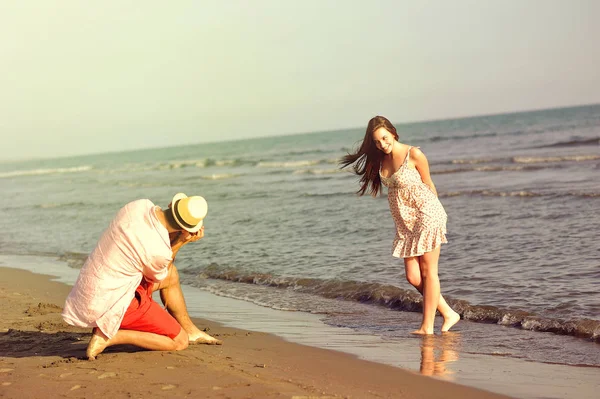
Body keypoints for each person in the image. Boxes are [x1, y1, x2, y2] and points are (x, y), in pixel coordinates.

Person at [62, 192, 222, 360]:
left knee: (172, 276)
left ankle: (190, 330)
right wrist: (181, 242)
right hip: (113, 302)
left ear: (170, 204)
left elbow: (151, 247)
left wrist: (179, 236)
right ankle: (111, 337)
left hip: (90, 291)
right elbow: (158, 274)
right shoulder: (159, 251)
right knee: (180, 342)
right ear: (184, 229)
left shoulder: (138, 205)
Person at [340, 116, 460, 334]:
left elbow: (429, 183)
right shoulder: (380, 160)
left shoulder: (413, 154)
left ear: (393, 133)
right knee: (413, 277)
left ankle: (427, 327)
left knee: (428, 272)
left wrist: (437, 215)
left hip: (426, 213)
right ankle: (449, 313)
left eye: (385, 138)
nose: (382, 144)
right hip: (405, 222)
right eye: (376, 142)